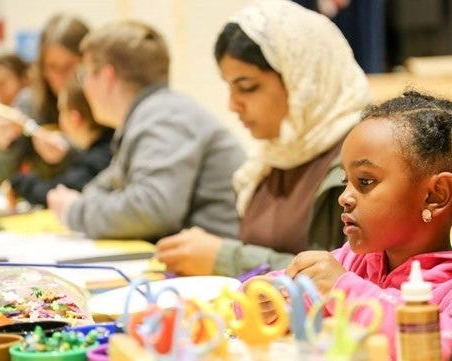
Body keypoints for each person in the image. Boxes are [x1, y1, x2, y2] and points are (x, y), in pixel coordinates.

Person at [261, 91, 452, 360]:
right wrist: (263, 299)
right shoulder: (353, 262)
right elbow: (268, 300)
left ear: (435, 194)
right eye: (347, 181)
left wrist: (347, 293)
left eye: (365, 181)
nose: (344, 197)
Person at [156, 0, 369, 276]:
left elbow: (347, 277)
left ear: (303, 80)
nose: (233, 104)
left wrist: (226, 258)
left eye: (248, 87)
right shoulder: (273, 155)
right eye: (230, 87)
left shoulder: (359, 160)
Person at [47, 20, 244, 241]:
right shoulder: (153, 113)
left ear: (106, 76)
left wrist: (75, 211)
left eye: (85, 74)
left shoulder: (164, 116)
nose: (84, 87)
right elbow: (104, 188)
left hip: (221, 270)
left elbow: (154, 208)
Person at [0, 15, 89, 182]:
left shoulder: (102, 102)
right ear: (41, 68)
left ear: (88, 62)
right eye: (52, 67)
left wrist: (68, 149)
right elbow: (1, 175)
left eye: (69, 66)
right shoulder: (29, 103)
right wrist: (6, 145)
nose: (61, 77)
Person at [10, 77, 112, 206]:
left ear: (75, 118)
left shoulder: (101, 155)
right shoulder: (104, 148)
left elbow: (58, 193)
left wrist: (18, 181)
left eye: (61, 110)